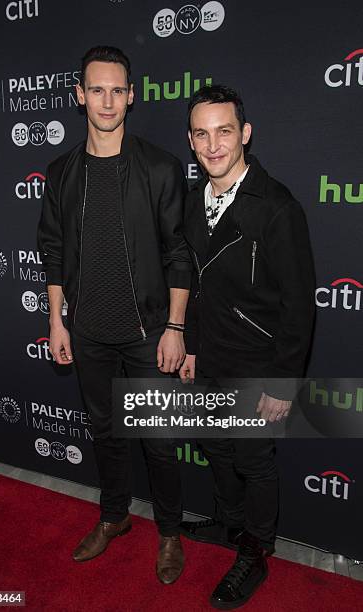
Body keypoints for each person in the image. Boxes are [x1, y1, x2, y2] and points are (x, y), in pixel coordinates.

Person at [38, 46, 191, 584]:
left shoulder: (160, 168)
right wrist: (58, 321)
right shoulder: (61, 172)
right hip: (89, 332)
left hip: (149, 334)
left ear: (132, 96)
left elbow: (178, 253)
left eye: (117, 90)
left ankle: (169, 534)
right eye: (96, 90)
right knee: (106, 433)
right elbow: (52, 250)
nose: (107, 101)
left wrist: (174, 327)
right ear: (79, 96)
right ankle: (114, 516)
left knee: (160, 442)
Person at [179, 85, 315, 608]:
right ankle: (229, 524)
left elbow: (300, 305)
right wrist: (190, 346)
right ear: (191, 140)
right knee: (216, 448)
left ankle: (255, 551)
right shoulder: (194, 203)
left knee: (254, 462)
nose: (214, 145)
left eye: (225, 131)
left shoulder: (277, 208)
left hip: (258, 364)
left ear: (246, 134)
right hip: (209, 354)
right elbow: (191, 285)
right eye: (202, 134)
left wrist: (284, 381)